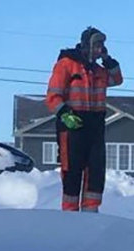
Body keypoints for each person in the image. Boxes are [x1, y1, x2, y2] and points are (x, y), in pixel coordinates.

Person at [45, 27, 123, 212]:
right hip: (72, 124)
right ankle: (70, 214)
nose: (99, 48)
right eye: (97, 44)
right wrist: (65, 113)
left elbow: (117, 79)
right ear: (87, 44)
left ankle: (91, 212)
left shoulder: (99, 70)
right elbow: (52, 95)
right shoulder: (67, 64)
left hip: (95, 124)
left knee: (95, 171)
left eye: (102, 45)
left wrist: (107, 59)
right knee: (72, 171)